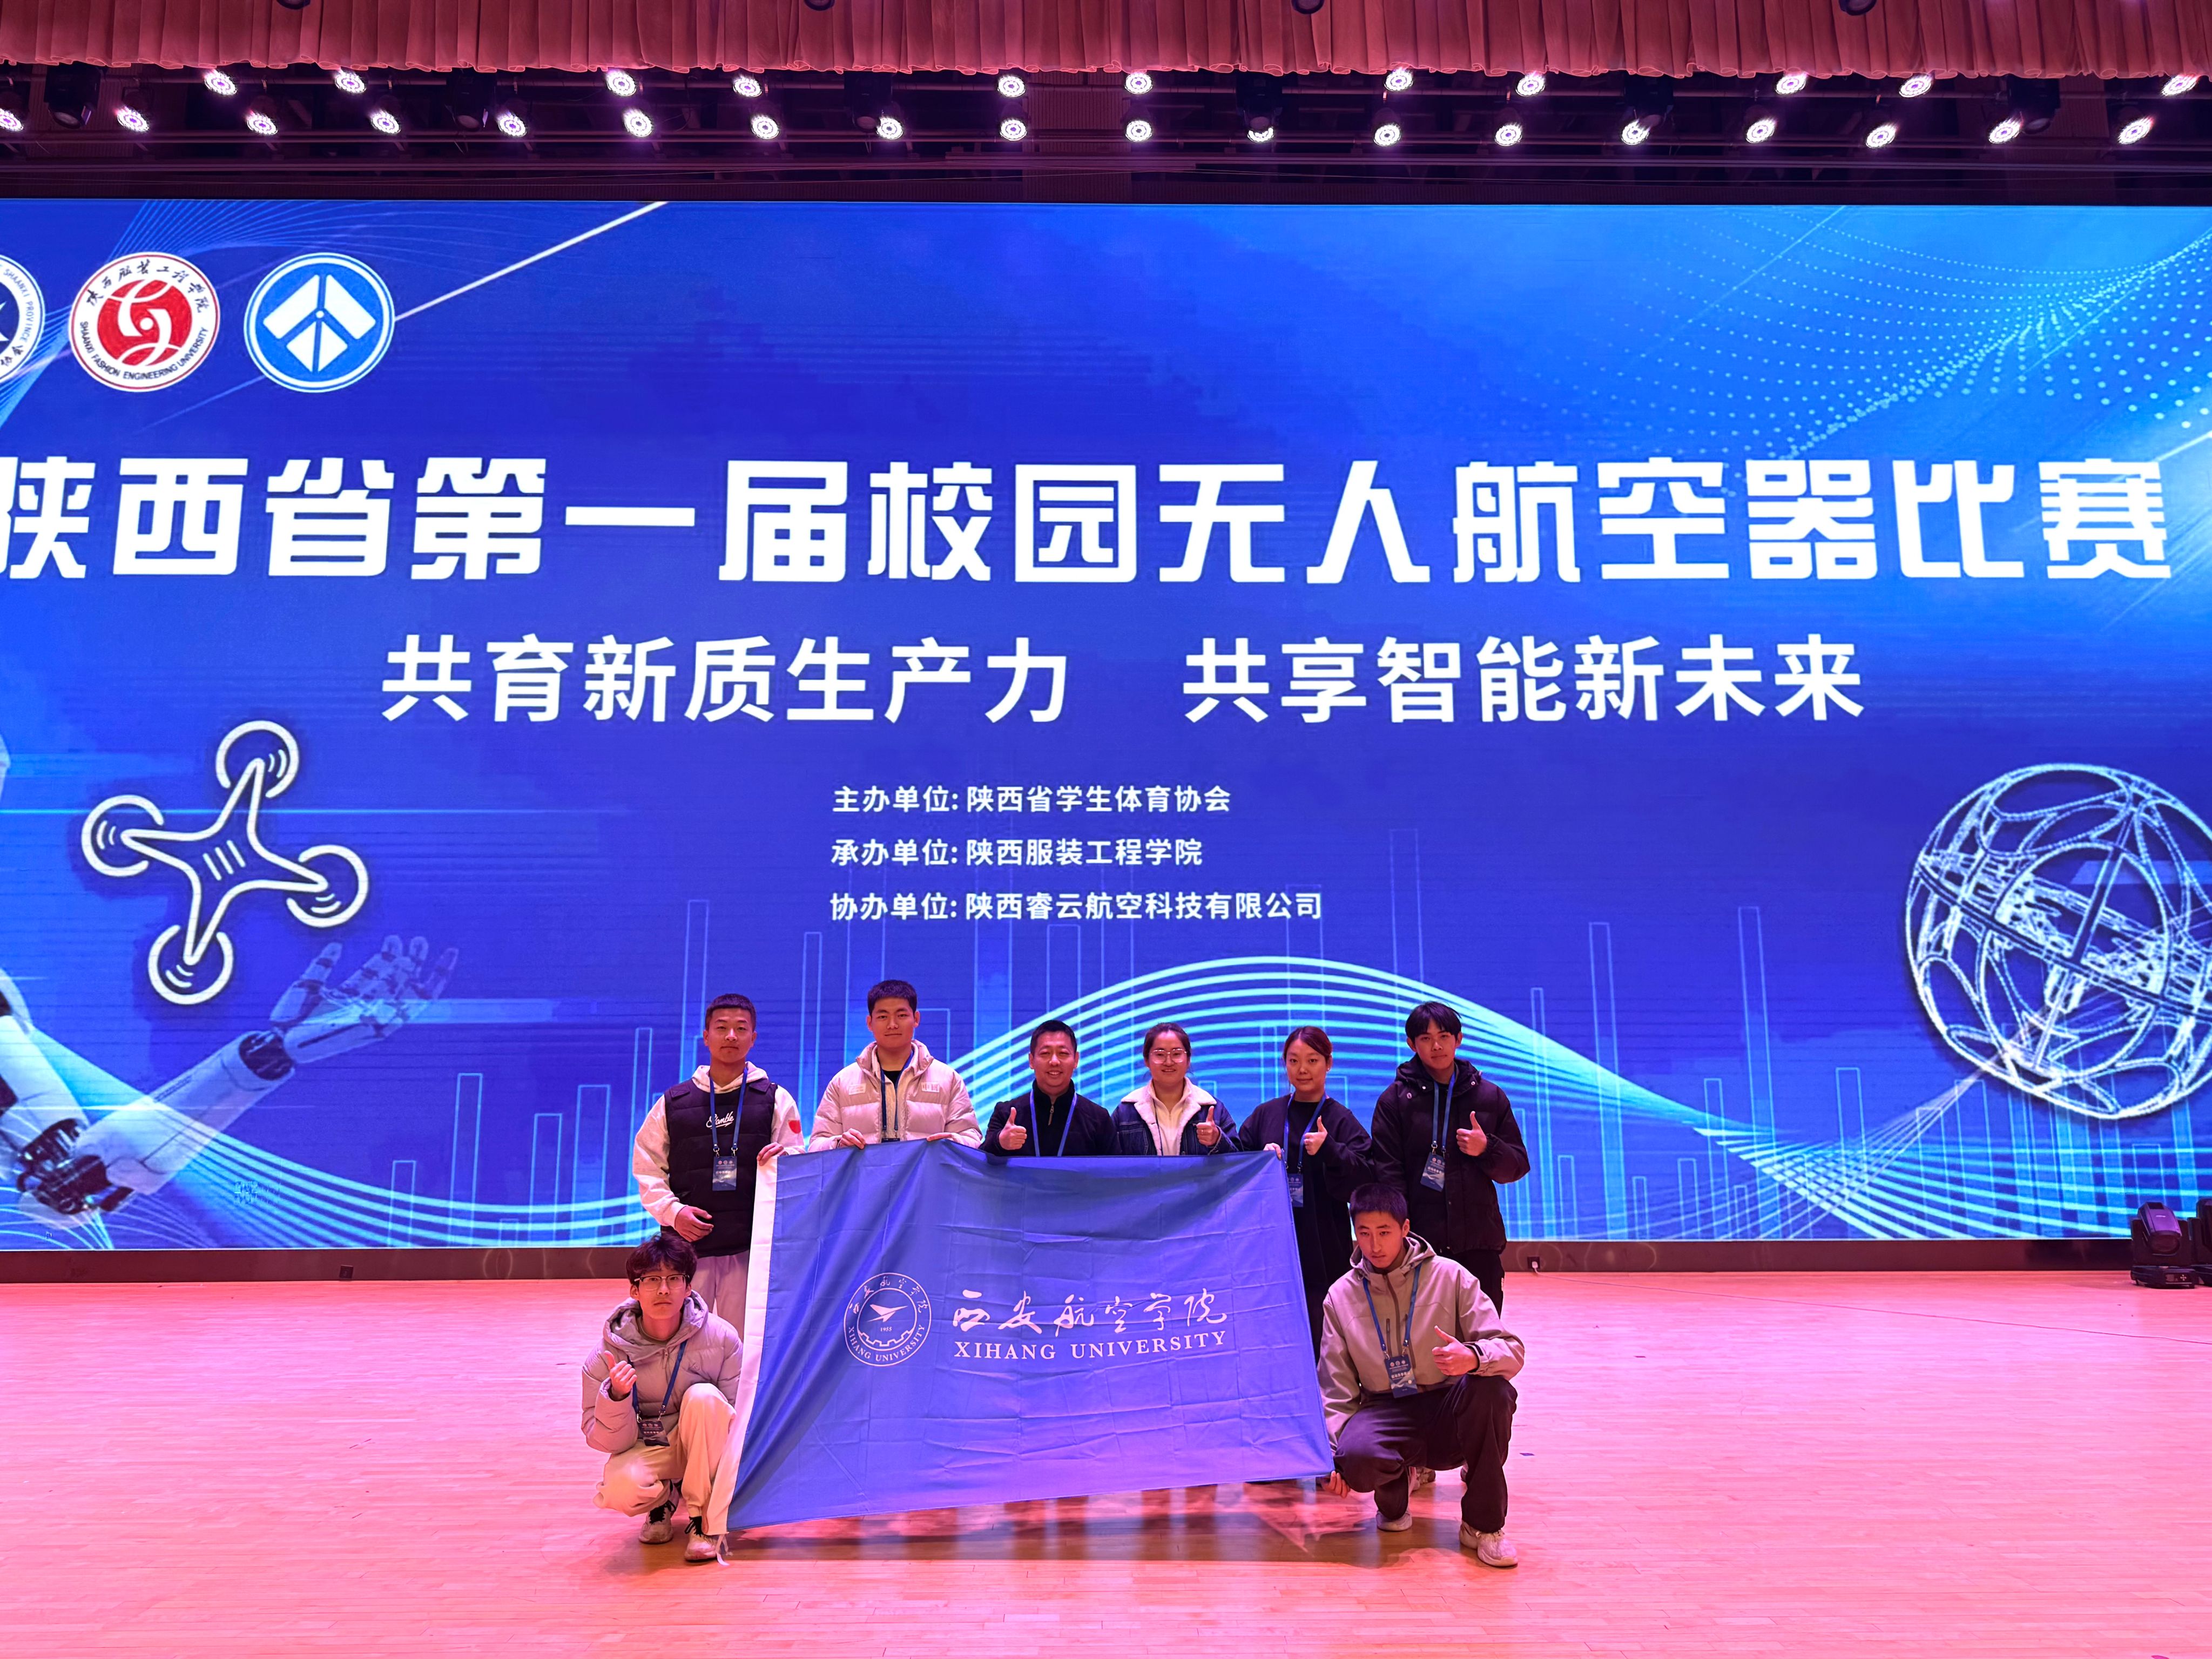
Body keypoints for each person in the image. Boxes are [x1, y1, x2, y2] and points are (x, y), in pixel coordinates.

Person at [1318, 1182, 1523, 1566]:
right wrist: (1333, 1456)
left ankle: (1483, 1526)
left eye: (1384, 1232)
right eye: (1365, 1233)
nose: (1375, 1245)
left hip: (1449, 1403)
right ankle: (1395, 1493)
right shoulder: (1340, 1296)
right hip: (1386, 1408)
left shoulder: (1451, 1276)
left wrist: (1473, 1357)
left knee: (1493, 1391)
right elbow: (1336, 1389)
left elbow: (1511, 1350)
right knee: (1355, 1457)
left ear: (1405, 1228)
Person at [631, 992, 805, 1331]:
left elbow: (797, 1161)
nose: (731, 1036)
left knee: (743, 1341)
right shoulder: (674, 1102)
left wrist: (787, 1159)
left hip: (749, 1246)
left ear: (753, 1038)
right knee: (683, 1334)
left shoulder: (775, 1099)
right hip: (687, 1247)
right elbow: (647, 1167)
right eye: (722, 1028)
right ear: (706, 1036)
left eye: (741, 1028)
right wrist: (674, 1213)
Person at [582, 1235, 743, 1564]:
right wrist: (616, 1397)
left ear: (688, 1287)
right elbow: (601, 1439)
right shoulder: (607, 1355)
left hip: (706, 1442)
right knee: (621, 1490)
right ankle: (662, 1500)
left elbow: (738, 1418)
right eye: (652, 1280)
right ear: (635, 1290)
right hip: (651, 1445)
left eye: (674, 1279)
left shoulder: (722, 1338)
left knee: (705, 1397)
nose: (664, 1290)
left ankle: (705, 1519)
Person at [1370, 1001, 1530, 1312]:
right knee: (1424, 1335)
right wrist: (1400, 1240)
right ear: (1412, 1044)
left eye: (1444, 1036)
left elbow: (1517, 1166)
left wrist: (1488, 1148)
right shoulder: (1395, 1102)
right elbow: (1389, 1175)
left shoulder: (1489, 1096)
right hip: (1420, 1248)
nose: (1436, 1046)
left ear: (1458, 1039)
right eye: (1426, 1038)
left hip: (1479, 1245)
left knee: (1483, 1334)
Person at [1236, 1025, 1377, 1350]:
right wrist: (1259, 1159)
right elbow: (1236, 1167)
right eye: (1294, 1060)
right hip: (1269, 1243)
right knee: (1271, 1331)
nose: (1302, 1069)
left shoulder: (1340, 1118)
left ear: (1329, 1063)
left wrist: (1332, 1151)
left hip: (1323, 1244)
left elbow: (1368, 1176)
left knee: (1322, 1335)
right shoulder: (1266, 1114)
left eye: (1312, 1060)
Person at [813, 978, 981, 1148]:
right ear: (870, 1023)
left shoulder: (948, 1079)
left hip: (929, 1167)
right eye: (883, 1017)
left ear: (916, 1019)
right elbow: (817, 1146)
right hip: (865, 1167)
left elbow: (972, 1140)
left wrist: (951, 1144)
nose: (892, 1025)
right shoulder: (843, 1081)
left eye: (901, 1016)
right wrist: (838, 1144)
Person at [983, 1020, 1118, 1157]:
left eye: (1063, 1053)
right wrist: (999, 1142)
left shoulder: (1099, 1119)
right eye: (1045, 1053)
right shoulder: (1006, 1114)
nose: (1054, 1061)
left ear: (1076, 1060)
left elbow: (1115, 1169)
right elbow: (979, 1164)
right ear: (1031, 1061)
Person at [1112, 1021, 1233, 1156]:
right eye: (1160, 1054)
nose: (1169, 1062)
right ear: (1146, 1060)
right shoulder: (1126, 1111)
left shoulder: (1213, 1109)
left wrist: (1217, 1140)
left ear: (1188, 1060)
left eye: (1176, 1054)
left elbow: (1240, 1162)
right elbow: (1109, 1163)